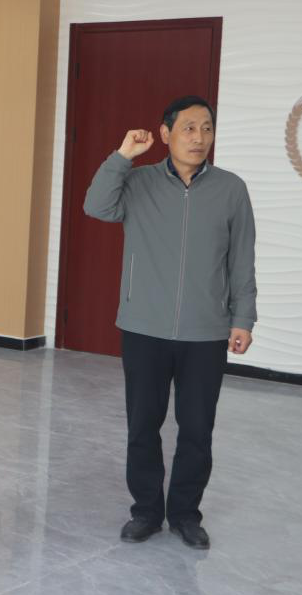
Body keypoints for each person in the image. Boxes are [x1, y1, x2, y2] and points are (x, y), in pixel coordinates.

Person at [84, 95, 257, 550]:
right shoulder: (137, 182)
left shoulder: (231, 190)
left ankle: (184, 514)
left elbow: (242, 260)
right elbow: (96, 206)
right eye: (188, 128)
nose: (199, 138)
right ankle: (145, 511)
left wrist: (243, 317)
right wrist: (122, 156)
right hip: (144, 326)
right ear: (165, 134)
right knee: (143, 425)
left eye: (207, 128)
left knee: (197, 429)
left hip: (206, 330)